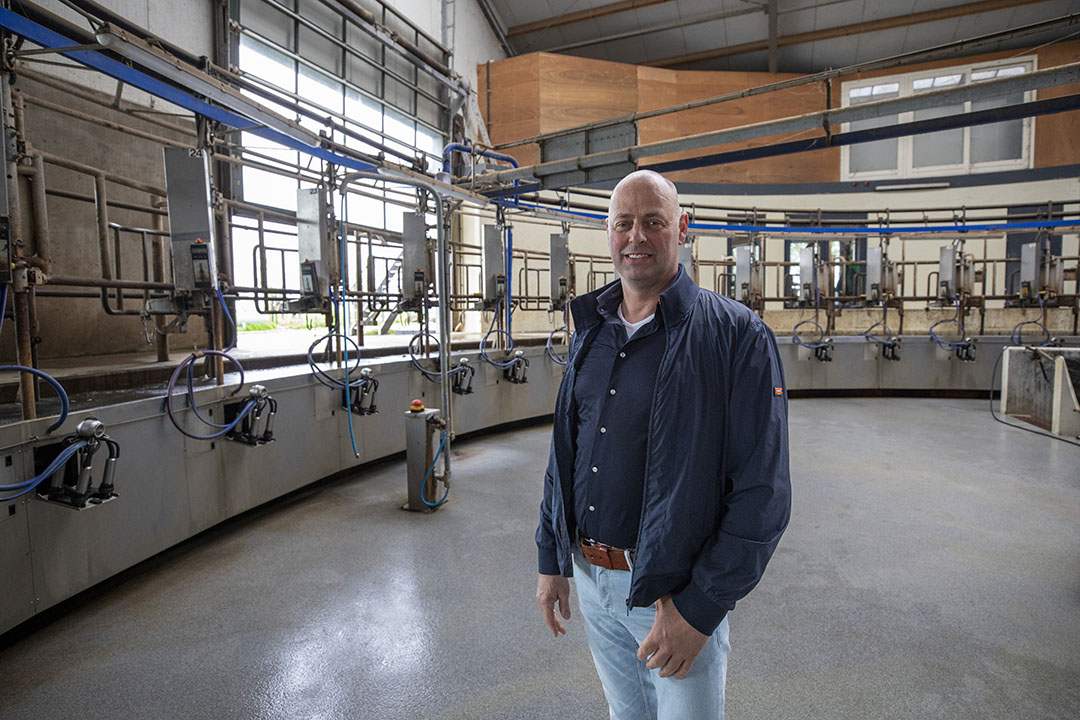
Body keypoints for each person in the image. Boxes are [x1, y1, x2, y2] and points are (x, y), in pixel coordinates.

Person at [535, 170, 791, 719]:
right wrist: (551, 555)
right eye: (623, 223)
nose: (637, 237)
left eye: (653, 222)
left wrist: (698, 609)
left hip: (671, 595)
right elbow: (566, 453)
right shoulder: (592, 330)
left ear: (682, 227)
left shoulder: (737, 336)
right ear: (607, 232)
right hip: (592, 579)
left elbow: (762, 493)